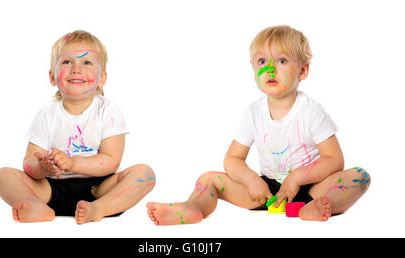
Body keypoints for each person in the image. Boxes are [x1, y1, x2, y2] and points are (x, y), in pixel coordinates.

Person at [147, 25, 370, 224]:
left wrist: (297, 178)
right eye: (262, 61)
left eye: (282, 61)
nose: (270, 70)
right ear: (254, 70)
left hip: (312, 187)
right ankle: (194, 207)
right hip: (267, 190)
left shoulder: (310, 110)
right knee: (208, 178)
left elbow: (334, 159)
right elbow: (232, 159)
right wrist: (252, 180)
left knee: (359, 176)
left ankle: (315, 207)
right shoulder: (254, 112)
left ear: (303, 71)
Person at [0, 30, 155, 224]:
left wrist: (73, 163)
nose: (76, 69)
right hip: (51, 189)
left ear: (101, 78)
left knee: (145, 174)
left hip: (100, 189)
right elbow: (29, 164)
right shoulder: (46, 115)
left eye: (86, 63)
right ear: (52, 76)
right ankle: (36, 207)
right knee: (3, 176)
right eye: (67, 62)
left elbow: (112, 160)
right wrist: (42, 167)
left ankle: (99, 210)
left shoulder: (109, 111)